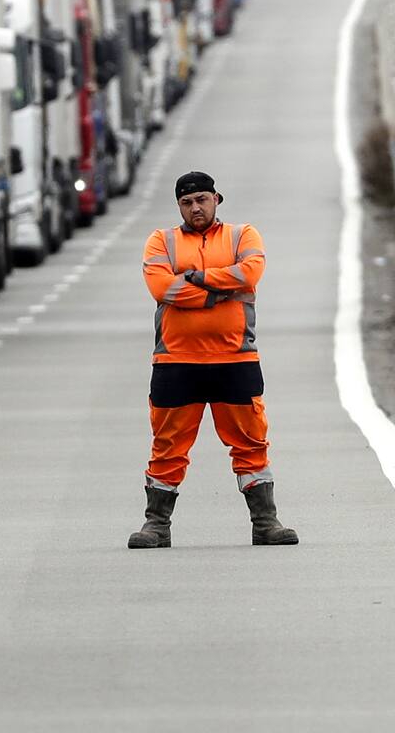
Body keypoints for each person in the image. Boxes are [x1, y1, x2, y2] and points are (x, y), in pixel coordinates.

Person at [129, 171, 298, 549]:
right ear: (179, 206)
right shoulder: (162, 241)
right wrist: (215, 295)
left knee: (251, 442)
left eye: (202, 199)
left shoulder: (243, 235)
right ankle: (156, 525)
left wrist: (196, 277)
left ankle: (265, 522)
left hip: (234, 358)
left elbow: (250, 272)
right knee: (167, 446)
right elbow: (162, 287)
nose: (195, 208)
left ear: (217, 199)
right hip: (176, 362)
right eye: (187, 202)